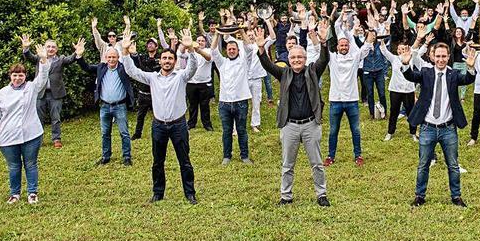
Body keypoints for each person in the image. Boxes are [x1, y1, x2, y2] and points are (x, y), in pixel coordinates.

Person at [255, 22, 332, 207]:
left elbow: (324, 60)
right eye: (293, 57)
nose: (297, 60)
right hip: (289, 125)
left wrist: (323, 42)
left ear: (305, 59)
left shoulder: (313, 71)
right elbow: (267, 65)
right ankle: (286, 196)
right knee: (287, 165)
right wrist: (260, 48)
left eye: (300, 57)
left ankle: (321, 194)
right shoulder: (283, 73)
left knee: (317, 163)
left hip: (310, 125)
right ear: (289, 59)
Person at [121, 26, 199, 204]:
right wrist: (125, 51)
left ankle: (190, 193)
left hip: (179, 125)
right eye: (164, 58)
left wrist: (191, 49)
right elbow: (132, 72)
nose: (167, 61)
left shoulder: (181, 77)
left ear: (174, 61)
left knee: (184, 161)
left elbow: (192, 68)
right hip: (159, 126)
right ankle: (158, 193)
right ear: (160, 61)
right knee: (158, 162)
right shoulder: (152, 78)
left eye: (170, 58)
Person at [400, 42, 477, 207]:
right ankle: (420, 196)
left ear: (448, 57)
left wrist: (471, 68)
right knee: (423, 165)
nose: (441, 59)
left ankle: (456, 197)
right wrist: (406, 63)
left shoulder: (454, 74)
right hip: (427, 127)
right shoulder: (426, 72)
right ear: (432, 57)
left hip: (448, 128)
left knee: (453, 165)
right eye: (438, 56)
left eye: (444, 56)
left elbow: (467, 79)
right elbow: (411, 76)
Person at [0, 42, 50, 204]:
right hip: (7, 137)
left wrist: (43, 60)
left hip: (31, 134)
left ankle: (32, 193)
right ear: (10, 76)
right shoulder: (1, 93)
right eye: (15, 75)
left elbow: (42, 77)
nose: (18, 78)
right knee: (14, 166)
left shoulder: (32, 88)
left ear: (25, 76)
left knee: (31, 164)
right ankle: (15, 194)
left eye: (21, 75)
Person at [323, 21, 373, 167]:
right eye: (341, 45)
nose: (344, 47)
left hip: (352, 100)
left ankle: (358, 155)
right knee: (333, 131)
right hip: (335, 100)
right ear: (337, 47)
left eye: (346, 45)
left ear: (349, 46)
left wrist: (370, 28)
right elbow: (320, 47)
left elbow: (367, 45)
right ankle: (330, 156)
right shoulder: (332, 58)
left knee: (355, 130)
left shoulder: (355, 57)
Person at [77, 42, 134, 166]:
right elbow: (86, 67)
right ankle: (106, 156)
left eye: (114, 57)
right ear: (105, 58)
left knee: (124, 132)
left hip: (120, 106)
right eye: (109, 57)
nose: (111, 59)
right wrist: (79, 56)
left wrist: (132, 53)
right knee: (105, 133)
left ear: (118, 58)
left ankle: (127, 156)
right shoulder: (101, 68)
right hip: (104, 106)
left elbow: (135, 66)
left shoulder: (123, 68)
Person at [20, 34, 79, 149]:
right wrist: (26, 48)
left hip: (55, 94)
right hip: (40, 93)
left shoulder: (61, 59)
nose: (51, 49)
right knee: (38, 117)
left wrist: (77, 52)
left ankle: (56, 139)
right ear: (44, 48)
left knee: (55, 117)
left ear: (56, 49)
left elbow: (71, 59)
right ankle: (38, 139)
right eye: (48, 47)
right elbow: (28, 56)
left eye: (53, 47)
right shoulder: (39, 58)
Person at [208, 28, 253, 165]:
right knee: (227, 131)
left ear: (238, 50)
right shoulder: (222, 63)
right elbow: (214, 51)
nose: (232, 51)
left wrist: (241, 31)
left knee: (241, 130)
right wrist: (217, 33)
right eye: (229, 49)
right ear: (226, 50)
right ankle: (227, 156)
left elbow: (249, 48)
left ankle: (244, 156)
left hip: (241, 102)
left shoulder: (244, 62)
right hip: (225, 103)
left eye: (234, 49)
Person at [380, 29, 431, 141]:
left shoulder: (411, 58)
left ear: (406, 49)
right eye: (399, 49)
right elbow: (384, 51)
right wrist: (382, 41)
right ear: (397, 50)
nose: (401, 51)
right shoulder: (394, 59)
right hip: (395, 90)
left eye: (403, 49)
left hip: (408, 90)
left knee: (411, 112)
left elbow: (419, 50)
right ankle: (390, 132)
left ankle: (413, 133)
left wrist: (424, 42)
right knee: (394, 112)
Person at [130, 36, 161, 140]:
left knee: (158, 115)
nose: (150, 45)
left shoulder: (160, 58)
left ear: (156, 46)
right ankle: (137, 134)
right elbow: (137, 65)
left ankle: (159, 133)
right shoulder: (142, 57)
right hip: (143, 93)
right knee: (140, 116)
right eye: (148, 43)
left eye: (152, 43)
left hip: (155, 93)